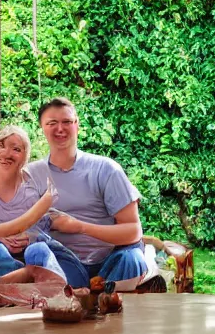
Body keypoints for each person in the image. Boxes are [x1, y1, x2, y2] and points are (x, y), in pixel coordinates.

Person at [26, 98, 147, 289]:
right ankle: (72, 300)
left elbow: (133, 231)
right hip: (63, 261)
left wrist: (79, 226)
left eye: (67, 122)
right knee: (37, 250)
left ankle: (111, 305)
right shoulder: (32, 174)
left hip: (110, 259)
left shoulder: (106, 169)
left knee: (132, 259)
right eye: (52, 123)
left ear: (77, 125)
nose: (60, 129)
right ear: (42, 128)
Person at [0, 125, 69, 283]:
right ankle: (26, 281)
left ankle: (46, 287)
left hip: (22, 261)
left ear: (25, 158)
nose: (6, 153)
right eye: (0, 145)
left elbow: (47, 226)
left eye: (16, 149)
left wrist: (29, 237)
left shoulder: (32, 190)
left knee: (40, 249)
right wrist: (0, 238)